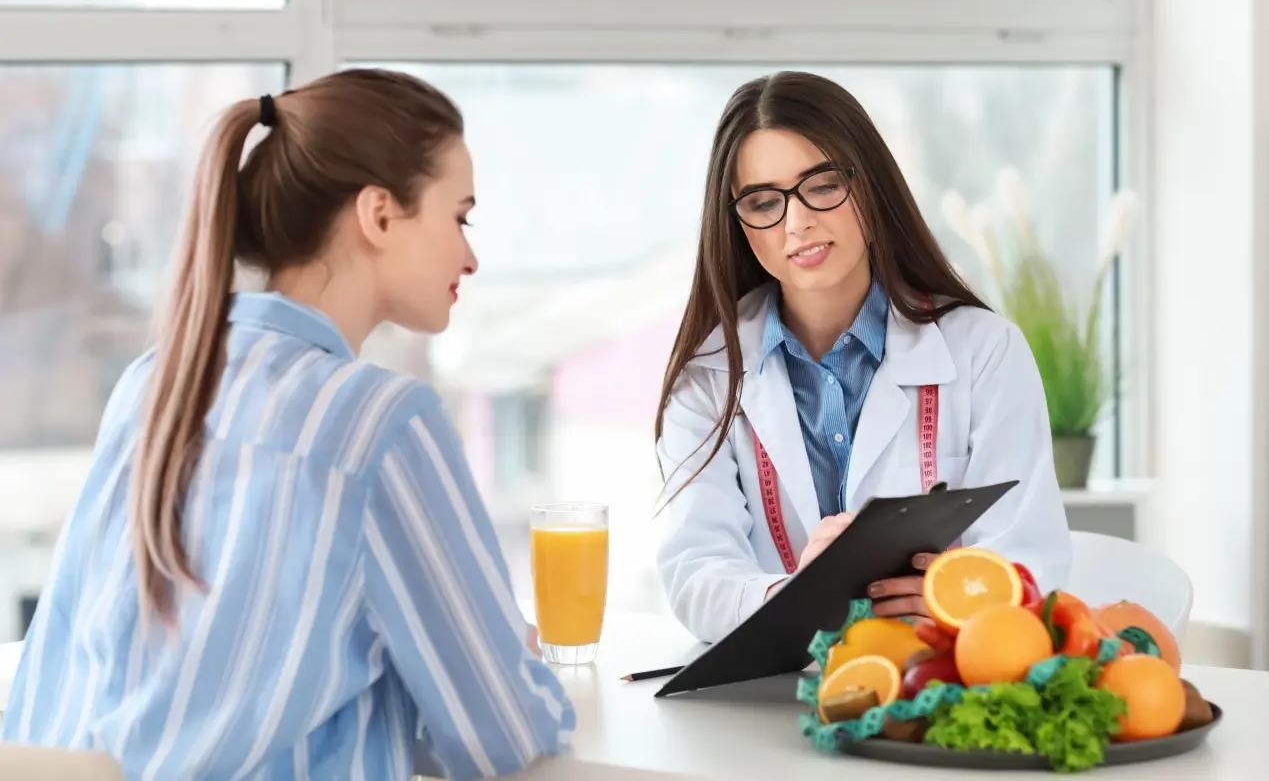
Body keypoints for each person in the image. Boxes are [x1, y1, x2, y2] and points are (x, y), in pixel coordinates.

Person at [1, 69, 574, 780]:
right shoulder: (380, 423)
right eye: (459, 216)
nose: (470, 255)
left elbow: (56, 671)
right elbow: (501, 735)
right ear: (379, 213)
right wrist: (504, 651)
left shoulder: (152, 380)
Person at [652, 71, 1072, 645]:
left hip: (938, 692)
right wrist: (802, 595)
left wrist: (957, 597)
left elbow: (1033, 554)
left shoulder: (985, 352)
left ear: (868, 184)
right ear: (738, 223)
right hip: (772, 700)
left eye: (821, 186)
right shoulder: (708, 378)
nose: (797, 223)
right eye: (763, 201)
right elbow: (695, 574)